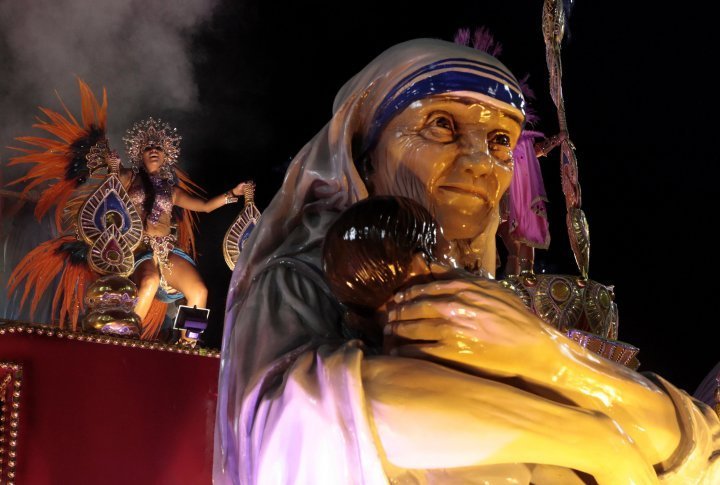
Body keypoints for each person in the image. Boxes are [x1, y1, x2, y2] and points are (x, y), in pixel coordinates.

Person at [214, 38, 719, 483]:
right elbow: (299, 419)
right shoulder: (304, 278)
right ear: (364, 150)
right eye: (441, 126)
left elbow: (701, 451)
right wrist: (594, 443)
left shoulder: (490, 305)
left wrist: (549, 361)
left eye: (501, 141)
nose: (481, 164)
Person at [120, 117, 251, 340]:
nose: (154, 151)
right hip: (137, 249)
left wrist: (233, 194)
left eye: (159, 148)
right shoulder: (128, 178)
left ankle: (188, 344)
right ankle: (125, 339)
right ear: (139, 154)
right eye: (148, 148)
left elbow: (206, 206)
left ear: (165, 156)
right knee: (150, 282)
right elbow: (109, 184)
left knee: (199, 291)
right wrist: (108, 161)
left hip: (166, 251)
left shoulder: (171, 191)